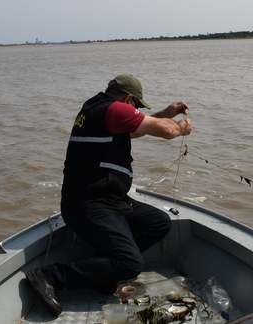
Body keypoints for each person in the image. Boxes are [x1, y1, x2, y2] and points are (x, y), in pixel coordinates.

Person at [26, 74, 192, 317]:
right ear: (128, 99)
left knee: (157, 222)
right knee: (131, 263)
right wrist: (180, 128)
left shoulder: (97, 108)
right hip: (88, 204)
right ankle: (51, 275)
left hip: (110, 199)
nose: (135, 111)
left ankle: (103, 271)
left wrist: (167, 112)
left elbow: (136, 129)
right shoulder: (114, 110)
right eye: (136, 106)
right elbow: (165, 132)